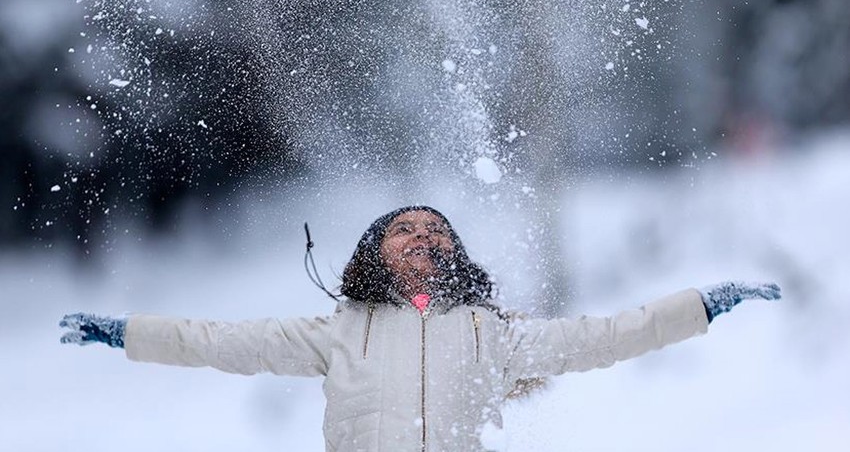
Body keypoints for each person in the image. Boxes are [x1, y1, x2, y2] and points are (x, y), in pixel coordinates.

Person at [60, 205, 780, 451]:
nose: (422, 237)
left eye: (437, 230)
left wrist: (702, 306)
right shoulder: (336, 331)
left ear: (455, 254)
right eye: (403, 229)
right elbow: (216, 341)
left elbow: (608, 335)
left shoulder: (492, 334)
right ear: (374, 251)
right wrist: (126, 333)